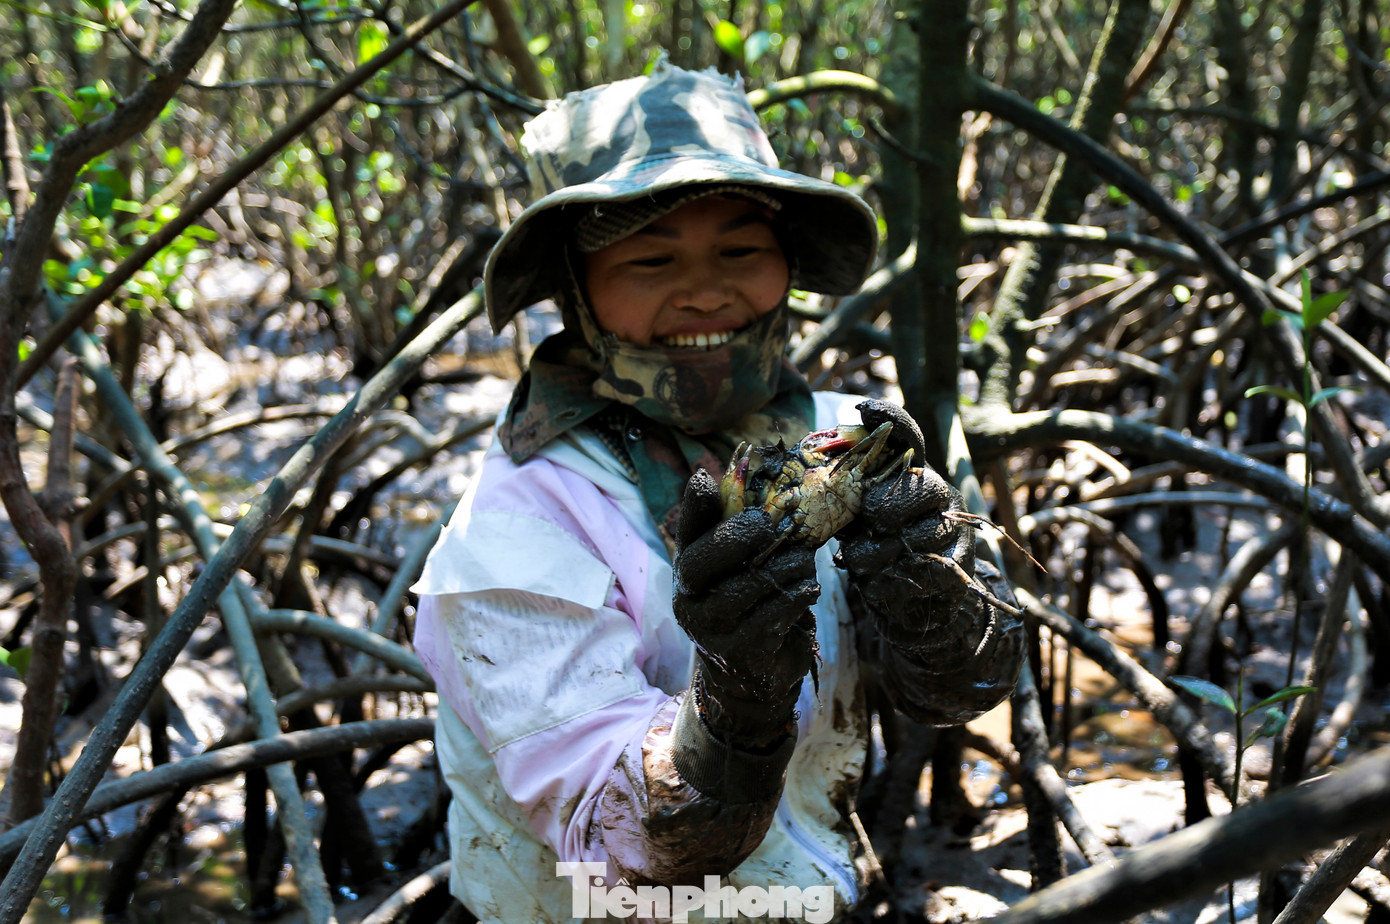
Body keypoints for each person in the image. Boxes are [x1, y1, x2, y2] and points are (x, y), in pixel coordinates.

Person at [411, 59, 1023, 922]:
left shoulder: (849, 434)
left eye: (740, 249)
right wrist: (736, 695)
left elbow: (966, 689)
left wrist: (935, 594)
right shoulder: (516, 520)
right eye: (650, 260)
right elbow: (618, 840)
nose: (704, 291)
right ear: (575, 289)